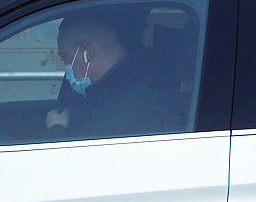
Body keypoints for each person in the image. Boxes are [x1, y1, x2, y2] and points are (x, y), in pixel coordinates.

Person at [42, 8, 184, 139]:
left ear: (87, 51)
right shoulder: (115, 91)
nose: (67, 68)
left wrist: (56, 129)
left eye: (66, 58)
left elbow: (76, 162)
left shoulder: (131, 107)